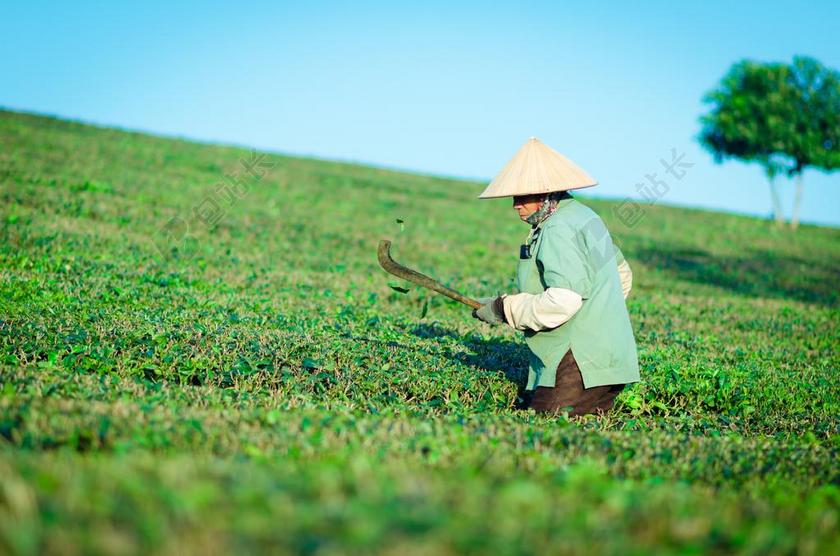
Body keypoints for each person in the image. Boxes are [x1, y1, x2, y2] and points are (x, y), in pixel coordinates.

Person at [471, 137, 640, 417]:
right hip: (609, 359)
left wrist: (503, 308)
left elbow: (563, 300)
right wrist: (597, 320)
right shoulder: (585, 216)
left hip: (577, 364)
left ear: (546, 192)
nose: (515, 205)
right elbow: (621, 274)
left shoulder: (557, 228)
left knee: (542, 430)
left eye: (523, 196)